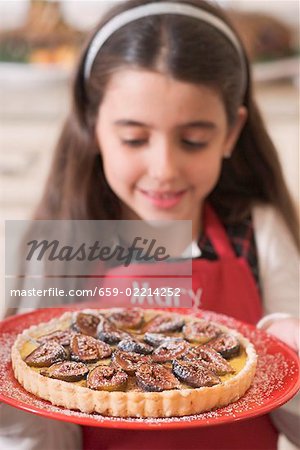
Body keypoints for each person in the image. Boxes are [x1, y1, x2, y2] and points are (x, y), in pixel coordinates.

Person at [1, 0, 299, 449]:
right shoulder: (59, 246)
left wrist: (292, 348)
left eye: (193, 140)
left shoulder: (257, 232)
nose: (164, 168)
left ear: (231, 133)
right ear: (91, 125)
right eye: (134, 138)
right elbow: (41, 431)